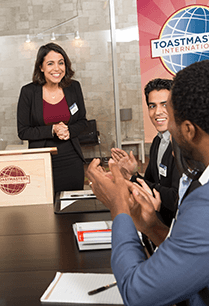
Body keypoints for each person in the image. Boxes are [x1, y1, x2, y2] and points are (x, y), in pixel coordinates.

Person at [87, 59, 209, 306]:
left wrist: (118, 205)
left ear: (188, 130)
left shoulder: (204, 205)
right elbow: (193, 257)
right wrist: (153, 226)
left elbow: (138, 294)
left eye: (170, 116)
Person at [17, 43, 87, 193]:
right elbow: (23, 131)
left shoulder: (73, 87)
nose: (57, 68)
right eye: (50, 63)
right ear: (41, 67)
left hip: (71, 159)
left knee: (73, 205)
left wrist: (69, 130)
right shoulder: (28, 92)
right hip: (41, 161)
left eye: (61, 63)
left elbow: (82, 122)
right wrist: (53, 130)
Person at [111, 78, 180, 227]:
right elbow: (150, 183)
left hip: (177, 229)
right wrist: (132, 174)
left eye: (165, 105)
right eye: (152, 106)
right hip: (158, 222)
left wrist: (133, 179)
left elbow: (175, 198)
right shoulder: (157, 141)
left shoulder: (182, 145)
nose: (158, 112)